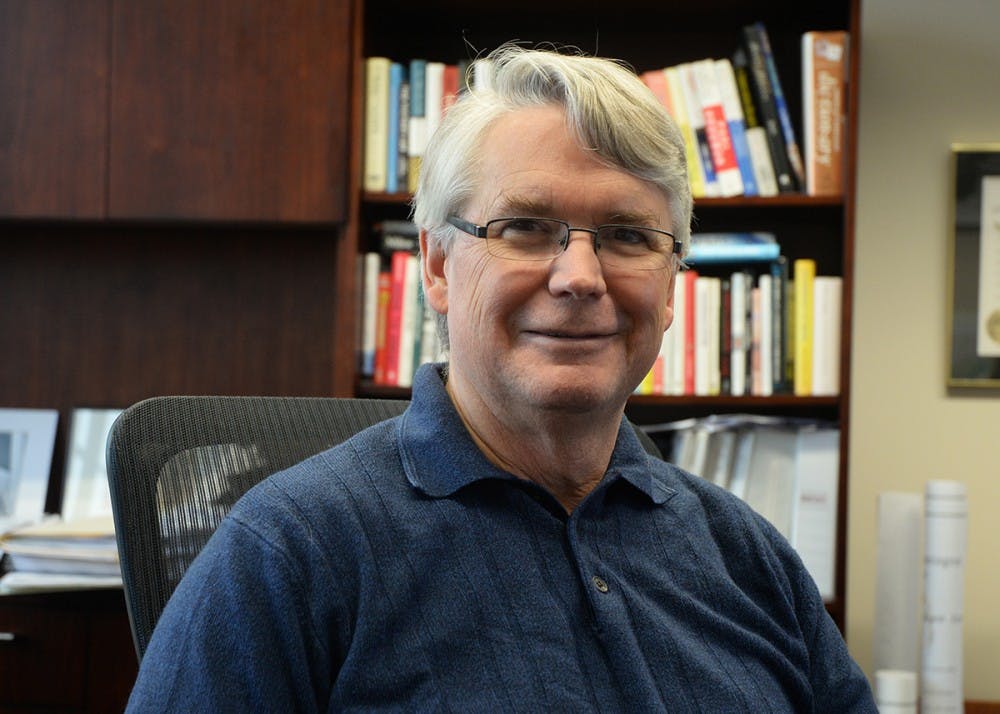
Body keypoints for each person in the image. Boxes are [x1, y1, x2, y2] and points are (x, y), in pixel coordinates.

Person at [127, 45, 876, 711]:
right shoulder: (289, 554)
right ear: (438, 265)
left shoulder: (749, 558)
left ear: (674, 283)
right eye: (524, 228)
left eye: (627, 236)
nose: (580, 277)